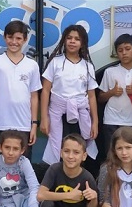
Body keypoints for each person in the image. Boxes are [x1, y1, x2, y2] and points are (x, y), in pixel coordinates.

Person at [40, 24, 99, 165]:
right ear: (64, 41)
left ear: (82, 43)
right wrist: (43, 118)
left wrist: (95, 122)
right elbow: (45, 90)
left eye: (77, 39)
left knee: (79, 148)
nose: (72, 41)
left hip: (80, 116)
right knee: (60, 148)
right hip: (58, 114)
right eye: (69, 38)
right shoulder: (55, 62)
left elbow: (91, 96)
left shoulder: (87, 66)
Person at [0, 20, 41, 158]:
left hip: (23, 124)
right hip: (0, 123)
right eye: (10, 37)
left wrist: (33, 125)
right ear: (4, 37)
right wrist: (3, 98)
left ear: (25, 40)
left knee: (23, 164)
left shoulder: (32, 65)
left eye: (18, 38)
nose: (14, 42)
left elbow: (34, 96)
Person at [97, 33, 132, 161]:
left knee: (131, 157)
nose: (124, 53)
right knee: (111, 156)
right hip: (111, 120)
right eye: (120, 50)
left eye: (128, 49)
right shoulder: (110, 71)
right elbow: (100, 98)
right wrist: (111, 92)